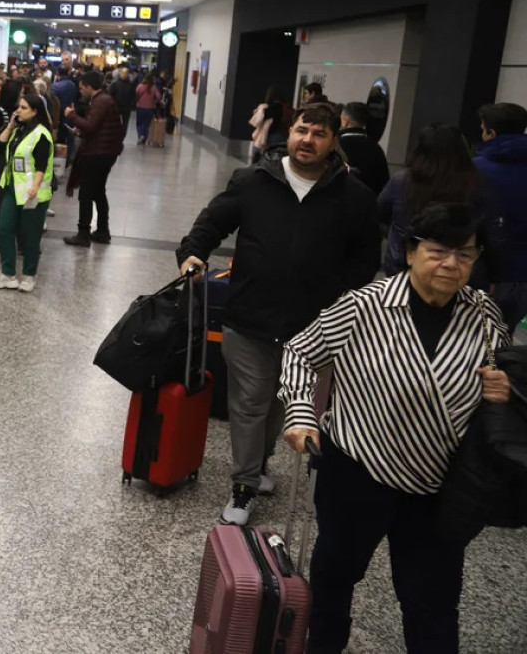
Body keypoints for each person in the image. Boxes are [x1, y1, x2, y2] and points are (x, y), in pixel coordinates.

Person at [280, 203, 511, 654]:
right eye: (439, 251)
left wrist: (504, 388)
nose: (451, 264)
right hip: (358, 471)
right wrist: (302, 413)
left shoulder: (483, 314)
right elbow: (300, 352)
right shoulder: (364, 306)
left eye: (466, 254)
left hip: (439, 484)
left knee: (433, 601)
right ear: (410, 252)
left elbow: (495, 375)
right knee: (335, 579)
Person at [177, 103, 380, 525]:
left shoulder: (353, 196)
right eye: (302, 130)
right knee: (251, 403)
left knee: (280, 405)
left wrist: (343, 300)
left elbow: (365, 258)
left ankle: (258, 465)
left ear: (332, 142)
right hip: (249, 316)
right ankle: (244, 483)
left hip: (311, 328)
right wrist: (193, 253)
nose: (308, 139)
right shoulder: (253, 181)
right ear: (289, 133)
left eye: (319, 134)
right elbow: (212, 222)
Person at [378, 124, 481, 277]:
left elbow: (379, 213)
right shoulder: (473, 183)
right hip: (454, 263)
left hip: (403, 260)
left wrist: (398, 235)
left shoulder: (403, 180)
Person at [0, 91, 54, 294]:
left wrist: (35, 186)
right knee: (5, 228)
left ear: (35, 111)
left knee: (30, 235)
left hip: (32, 193)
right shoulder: (18, 131)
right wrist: (10, 126)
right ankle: (8, 274)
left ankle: (29, 275)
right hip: (11, 189)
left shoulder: (42, 134)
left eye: (23, 108)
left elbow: (42, 165)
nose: (18, 111)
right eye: (18, 107)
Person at [474, 101, 527, 329]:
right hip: (522, 271)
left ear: (491, 133)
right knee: (504, 335)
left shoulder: (476, 169)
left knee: (471, 333)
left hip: (484, 268)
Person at [63, 71, 123, 246]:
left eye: (82, 88)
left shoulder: (100, 101)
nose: (81, 91)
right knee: (98, 191)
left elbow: (90, 126)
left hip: (97, 154)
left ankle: (83, 234)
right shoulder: (104, 99)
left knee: (87, 193)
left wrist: (71, 115)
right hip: (106, 151)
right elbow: (97, 127)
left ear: (90, 87)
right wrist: (79, 130)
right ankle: (103, 231)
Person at [0, 78, 25, 251]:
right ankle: (1, 240)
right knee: (1, 203)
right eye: (21, 94)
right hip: (0, 161)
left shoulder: (23, 113)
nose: (23, 97)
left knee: (17, 201)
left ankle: (18, 239)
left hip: (16, 160)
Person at [338, 101, 391, 195]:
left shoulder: (335, 145)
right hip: (366, 205)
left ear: (345, 122)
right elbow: (384, 185)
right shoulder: (376, 149)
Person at [112, 64, 137, 141]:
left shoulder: (131, 85)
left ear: (128, 75)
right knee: (116, 123)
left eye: (125, 74)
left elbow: (133, 95)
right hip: (117, 106)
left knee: (125, 124)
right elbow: (111, 94)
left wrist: (132, 105)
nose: (124, 75)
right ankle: (116, 136)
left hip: (127, 107)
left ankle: (122, 137)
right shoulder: (115, 84)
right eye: (123, 73)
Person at [134, 74, 160, 146]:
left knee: (139, 123)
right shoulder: (154, 88)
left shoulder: (140, 86)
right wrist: (154, 101)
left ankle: (140, 136)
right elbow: (158, 96)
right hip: (150, 109)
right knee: (146, 124)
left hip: (140, 108)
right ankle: (144, 137)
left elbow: (136, 94)